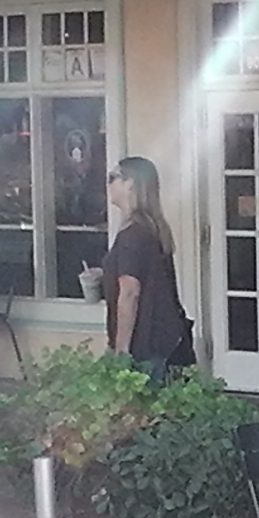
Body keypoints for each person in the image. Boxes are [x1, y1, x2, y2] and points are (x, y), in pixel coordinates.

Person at [104, 157, 192, 381]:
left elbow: (130, 292)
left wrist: (121, 350)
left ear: (130, 183)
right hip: (167, 339)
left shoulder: (132, 234)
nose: (108, 183)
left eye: (112, 177)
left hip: (145, 347)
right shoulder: (152, 227)